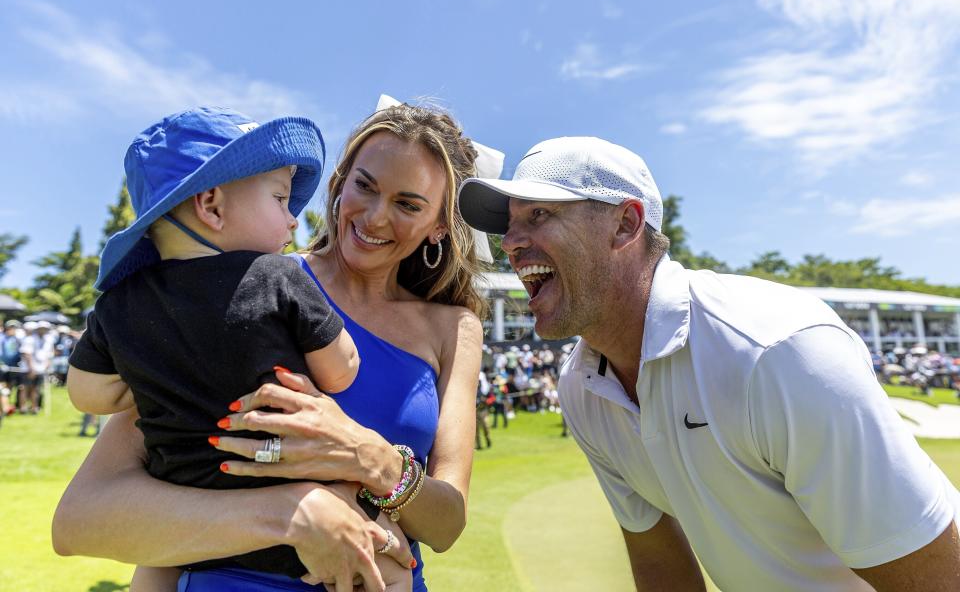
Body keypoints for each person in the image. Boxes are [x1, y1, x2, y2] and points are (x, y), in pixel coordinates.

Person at [458, 136, 960, 591]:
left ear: (625, 224)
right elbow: (660, 563)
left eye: (540, 216)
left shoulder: (776, 351)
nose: (511, 243)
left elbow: (935, 578)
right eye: (510, 225)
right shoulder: (582, 385)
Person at [53, 102, 487, 592]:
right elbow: (81, 518)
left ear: (440, 226)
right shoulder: (246, 284)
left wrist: (368, 458)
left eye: (408, 205)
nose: (375, 216)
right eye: (364, 185)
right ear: (340, 182)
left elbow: (447, 524)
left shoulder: (456, 329)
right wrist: (292, 513)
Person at [66, 107, 371, 582]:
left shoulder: (117, 305)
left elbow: (87, 394)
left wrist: (145, 374)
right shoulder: (279, 276)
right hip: (310, 530)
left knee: (152, 575)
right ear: (211, 205)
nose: (293, 221)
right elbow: (341, 370)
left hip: (194, 539)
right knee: (390, 562)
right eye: (280, 199)